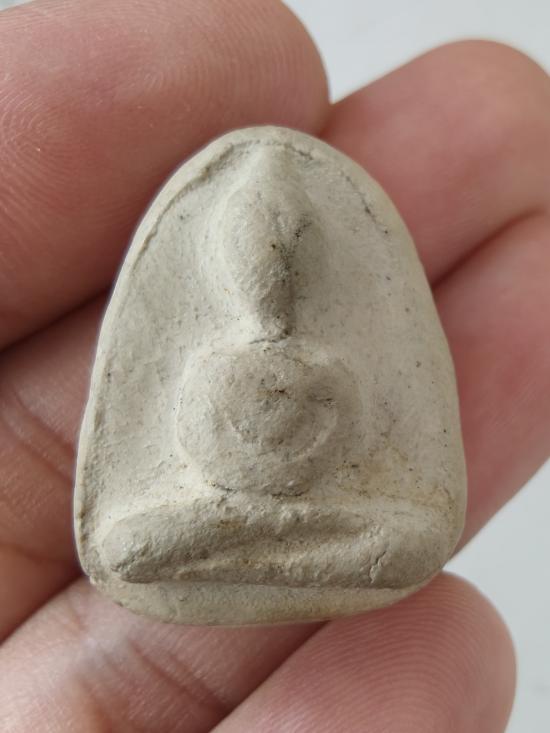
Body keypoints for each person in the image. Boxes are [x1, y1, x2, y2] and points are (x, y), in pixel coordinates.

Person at [0, 1, 548, 730]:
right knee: (124, 543)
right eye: (257, 258)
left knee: (411, 542)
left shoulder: (333, 369)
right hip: (218, 521)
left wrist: (292, 501)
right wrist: (244, 505)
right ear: (227, 268)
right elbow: (200, 457)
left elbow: (346, 457)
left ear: (311, 265)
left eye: (288, 258)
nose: (272, 278)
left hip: (323, 518)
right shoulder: (207, 364)